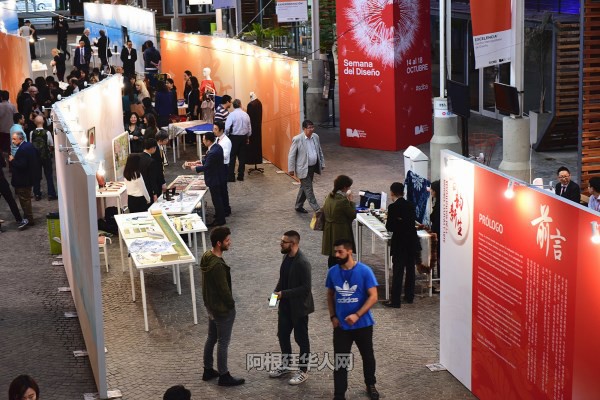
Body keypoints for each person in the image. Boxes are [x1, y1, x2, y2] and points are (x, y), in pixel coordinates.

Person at [326, 238, 380, 400]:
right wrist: (333, 316)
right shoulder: (333, 272)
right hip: (341, 327)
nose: (336, 255)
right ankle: (339, 394)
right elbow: (330, 295)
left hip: (363, 325)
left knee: (368, 356)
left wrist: (357, 315)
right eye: (335, 252)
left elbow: (373, 297)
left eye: (340, 251)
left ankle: (370, 384)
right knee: (340, 360)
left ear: (350, 251)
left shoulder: (364, 271)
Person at [201, 226, 245, 387]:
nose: (230, 242)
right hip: (221, 309)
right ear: (219, 243)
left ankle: (207, 370)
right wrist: (231, 305)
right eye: (227, 240)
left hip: (211, 306)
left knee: (211, 337)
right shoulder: (218, 265)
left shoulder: (207, 256)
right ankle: (224, 375)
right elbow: (224, 290)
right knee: (223, 342)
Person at [269, 230, 314, 385]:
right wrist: (275, 296)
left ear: (293, 244)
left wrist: (283, 294)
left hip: (299, 308)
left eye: (284, 242)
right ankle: (286, 365)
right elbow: (283, 279)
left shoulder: (303, 263)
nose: (280, 244)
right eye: (281, 241)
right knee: (282, 335)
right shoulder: (286, 256)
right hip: (285, 307)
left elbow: (306, 289)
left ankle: (303, 370)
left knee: (301, 340)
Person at [384, 182, 420, 308]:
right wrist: (400, 221)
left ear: (392, 193)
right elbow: (410, 222)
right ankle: (409, 296)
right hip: (411, 242)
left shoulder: (393, 207)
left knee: (398, 272)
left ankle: (395, 300)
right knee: (410, 270)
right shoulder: (410, 205)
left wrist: (398, 221)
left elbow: (390, 226)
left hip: (400, 243)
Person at [187, 131, 227, 227]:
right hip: (218, 176)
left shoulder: (213, 152)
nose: (203, 141)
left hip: (214, 178)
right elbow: (209, 160)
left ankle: (220, 219)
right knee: (218, 198)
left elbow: (207, 166)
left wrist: (195, 168)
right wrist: (201, 161)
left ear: (209, 141)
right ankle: (219, 215)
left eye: (204, 140)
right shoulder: (216, 147)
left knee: (216, 199)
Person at [288, 119, 325, 213]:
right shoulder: (297, 139)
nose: (312, 129)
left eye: (313, 127)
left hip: (312, 167)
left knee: (304, 187)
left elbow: (319, 150)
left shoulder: (315, 137)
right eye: (309, 128)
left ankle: (298, 205)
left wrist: (322, 163)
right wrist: (291, 169)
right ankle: (317, 209)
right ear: (304, 129)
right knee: (308, 188)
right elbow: (291, 155)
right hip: (302, 168)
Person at [322, 175, 356, 267]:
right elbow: (352, 214)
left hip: (329, 230)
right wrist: (351, 201)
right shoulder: (342, 201)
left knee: (332, 254)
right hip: (340, 230)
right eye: (349, 187)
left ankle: (331, 271)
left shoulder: (329, 196)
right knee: (340, 254)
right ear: (345, 187)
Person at [9, 131, 39, 227]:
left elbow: (22, 165)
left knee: (25, 201)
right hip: (28, 178)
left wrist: (12, 160)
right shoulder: (29, 146)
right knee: (26, 200)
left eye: (14, 139)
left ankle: (29, 219)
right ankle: (28, 218)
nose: (12, 141)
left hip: (23, 180)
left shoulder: (22, 149)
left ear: (20, 139)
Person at [30, 115, 57, 201]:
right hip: (46, 156)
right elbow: (51, 145)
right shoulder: (47, 133)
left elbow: (31, 144)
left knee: (36, 176)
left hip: (35, 157)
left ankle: (37, 194)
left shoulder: (32, 133)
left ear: (35, 123)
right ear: (43, 122)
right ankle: (51, 194)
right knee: (49, 175)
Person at [225, 99, 252, 182]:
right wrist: (248, 136)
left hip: (234, 138)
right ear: (240, 104)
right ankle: (241, 175)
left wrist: (227, 135)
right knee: (242, 157)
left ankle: (231, 176)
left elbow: (227, 128)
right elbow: (249, 128)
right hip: (243, 137)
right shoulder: (246, 115)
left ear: (233, 106)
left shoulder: (231, 115)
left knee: (232, 157)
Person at [0, 152, 28, 230]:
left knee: (10, 200)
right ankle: (19, 220)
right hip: (1, 181)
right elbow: (3, 164)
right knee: (10, 200)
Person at [213, 120, 231, 217]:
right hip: (218, 166)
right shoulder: (218, 139)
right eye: (213, 129)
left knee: (223, 189)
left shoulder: (226, 141)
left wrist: (213, 156)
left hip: (223, 167)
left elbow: (225, 155)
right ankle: (224, 209)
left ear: (221, 130)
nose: (214, 131)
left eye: (215, 129)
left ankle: (226, 209)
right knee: (220, 189)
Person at [139, 138, 161, 204]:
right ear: (152, 148)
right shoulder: (151, 161)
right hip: (149, 189)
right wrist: (155, 193)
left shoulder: (138, 157)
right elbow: (152, 179)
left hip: (140, 189)